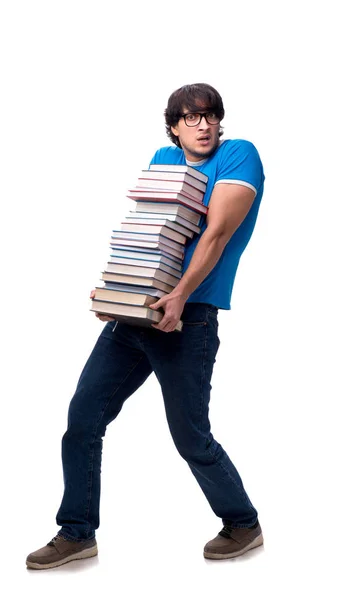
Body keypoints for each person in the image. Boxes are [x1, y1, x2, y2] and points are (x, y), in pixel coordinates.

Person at [26, 83, 265, 569]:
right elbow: (147, 232)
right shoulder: (163, 156)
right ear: (173, 126)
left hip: (189, 319)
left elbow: (216, 234)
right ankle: (76, 532)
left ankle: (243, 523)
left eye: (210, 116)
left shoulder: (239, 155)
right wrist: (118, 289)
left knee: (190, 437)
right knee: (83, 418)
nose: (203, 125)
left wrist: (179, 296)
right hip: (139, 314)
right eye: (191, 118)